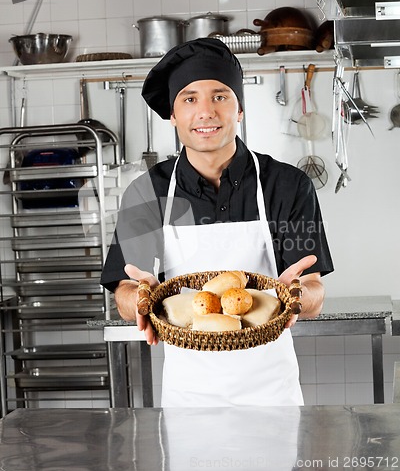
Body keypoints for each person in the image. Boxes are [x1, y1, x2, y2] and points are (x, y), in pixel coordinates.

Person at [101, 38, 334, 407]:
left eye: (220, 96)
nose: (206, 112)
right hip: (189, 396)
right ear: (173, 114)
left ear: (239, 109)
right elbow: (125, 292)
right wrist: (140, 298)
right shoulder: (147, 192)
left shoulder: (287, 185)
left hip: (272, 394)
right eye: (190, 99)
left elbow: (313, 290)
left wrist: (297, 297)